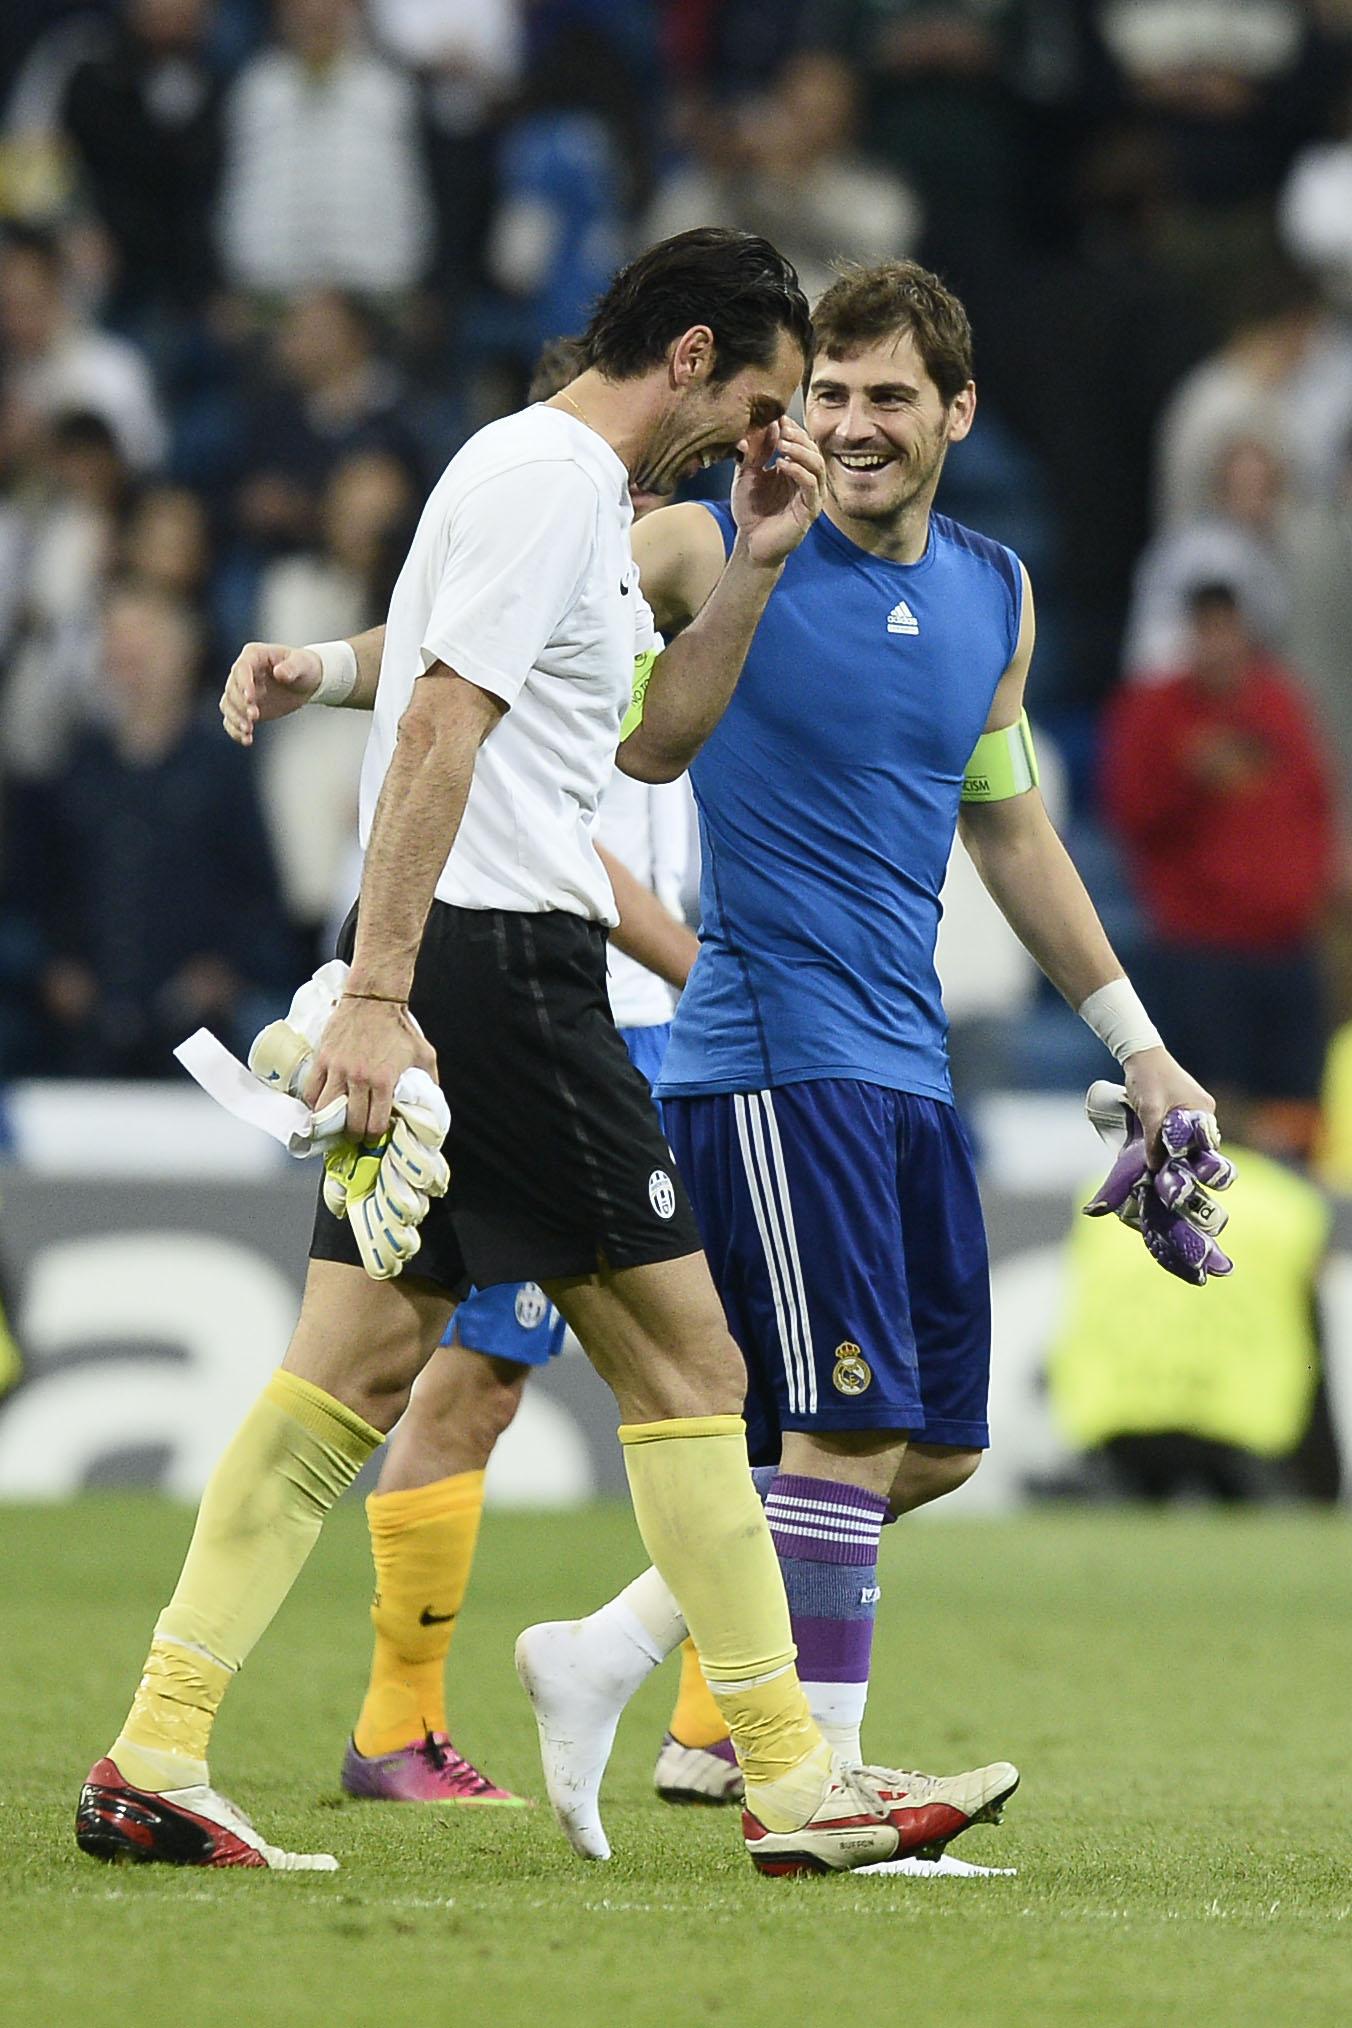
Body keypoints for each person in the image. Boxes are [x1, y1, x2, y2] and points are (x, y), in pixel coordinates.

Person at [214, 259, 1217, 1864]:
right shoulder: (708, 540)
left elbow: (1012, 825)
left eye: (890, 398)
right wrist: (324, 672)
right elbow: (482, 629)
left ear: (959, 413)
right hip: (761, 1056)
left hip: (903, 1061)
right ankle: (818, 1776)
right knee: (820, 1426)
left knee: (933, 1444)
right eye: (828, 394)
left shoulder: (996, 597)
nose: (848, 426)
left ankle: (609, 1655)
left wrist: (1140, 1044)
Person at [77, 229, 1013, 1879]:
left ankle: (158, 1744)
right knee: (697, 1375)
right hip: (501, 970)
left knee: (347, 1376)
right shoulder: (553, 481)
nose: (765, 438)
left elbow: (632, 730)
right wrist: (378, 992)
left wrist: (762, 560)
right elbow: (445, 721)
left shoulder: (543, 483)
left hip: (463, 963)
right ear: (695, 354)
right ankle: (794, 1781)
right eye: (768, 400)